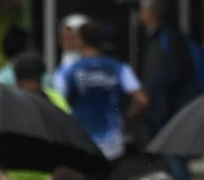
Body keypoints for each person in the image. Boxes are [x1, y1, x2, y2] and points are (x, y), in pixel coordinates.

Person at [54, 20, 147, 163]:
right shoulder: (119, 67)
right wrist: (126, 118)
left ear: (80, 40)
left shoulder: (67, 71)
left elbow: (57, 103)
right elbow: (142, 100)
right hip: (113, 144)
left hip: (81, 142)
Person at [137, 0, 200, 180]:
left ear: (152, 13)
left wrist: (153, 96)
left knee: (174, 156)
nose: (141, 16)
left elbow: (170, 73)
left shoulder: (167, 38)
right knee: (170, 157)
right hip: (163, 106)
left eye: (143, 11)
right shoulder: (160, 37)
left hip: (169, 107)